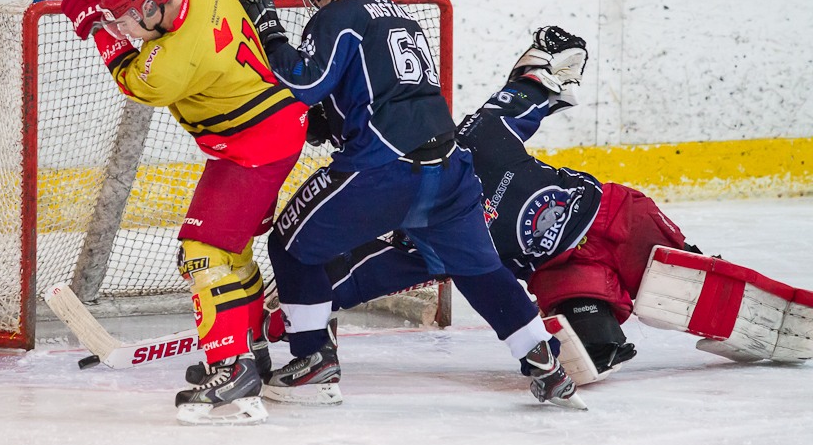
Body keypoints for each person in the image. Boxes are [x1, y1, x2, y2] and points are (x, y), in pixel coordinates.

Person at [304, 25, 813, 383]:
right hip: (561, 272)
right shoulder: (424, 225)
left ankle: (717, 284)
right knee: (591, 352)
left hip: (611, 216)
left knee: (683, 276)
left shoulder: (478, 135)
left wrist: (550, 54)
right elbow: (366, 272)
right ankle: (603, 331)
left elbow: (532, 84)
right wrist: (306, 299)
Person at [241, 0, 586, 410]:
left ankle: (312, 360)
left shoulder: (338, 15)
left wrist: (269, 33)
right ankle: (543, 361)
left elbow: (305, 81)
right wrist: (330, 121)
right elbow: (381, 93)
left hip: (384, 170)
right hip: (450, 171)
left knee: (289, 242)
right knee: (479, 269)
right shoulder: (402, 17)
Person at [60, 0, 308, 425]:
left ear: (149, 8)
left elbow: (132, 78)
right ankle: (250, 351)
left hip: (257, 142)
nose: (125, 30)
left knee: (202, 251)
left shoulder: (174, 60)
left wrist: (92, 24)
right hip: (263, 132)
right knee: (228, 250)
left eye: (127, 21)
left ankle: (231, 367)